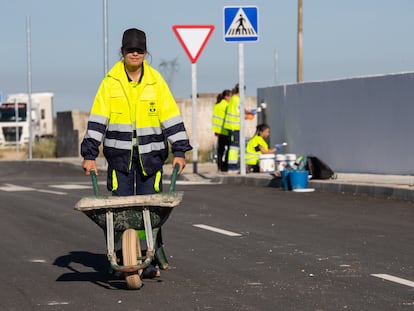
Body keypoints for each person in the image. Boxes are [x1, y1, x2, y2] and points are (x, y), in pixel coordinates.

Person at [80, 28, 192, 278]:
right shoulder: (110, 82)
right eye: (130, 50)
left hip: (151, 159)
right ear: (122, 52)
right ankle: (121, 255)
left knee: (149, 211)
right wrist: (89, 154)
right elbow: (98, 120)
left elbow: (171, 117)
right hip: (120, 160)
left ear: (145, 53)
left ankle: (148, 257)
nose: (135, 54)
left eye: (139, 50)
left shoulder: (155, 82)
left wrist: (180, 150)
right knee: (120, 212)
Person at [212, 89, 231, 172]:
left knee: (220, 150)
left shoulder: (217, 105)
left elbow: (215, 119)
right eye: (230, 96)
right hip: (226, 130)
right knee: (230, 149)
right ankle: (225, 165)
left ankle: (219, 166)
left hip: (219, 131)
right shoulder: (227, 105)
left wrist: (216, 130)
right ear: (226, 97)